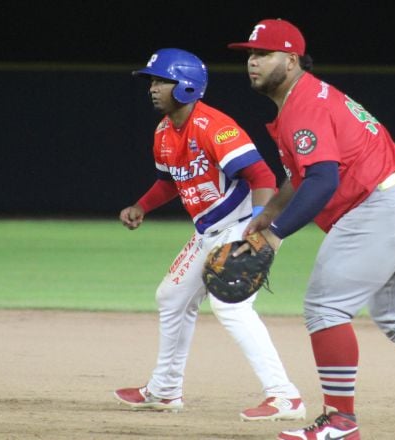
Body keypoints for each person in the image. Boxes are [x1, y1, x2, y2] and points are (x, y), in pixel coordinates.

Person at [228, 19, 395, 440]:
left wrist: (276, 233)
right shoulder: (308, 98)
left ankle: (340, 423)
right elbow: (305, 175)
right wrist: (271, 212)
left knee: (325, 308)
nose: (253, 62)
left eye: (262, 54)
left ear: (291, 58)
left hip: (381, 205)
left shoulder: (304, 104)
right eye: (250, 54)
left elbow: (323, 180)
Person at [113, 48, 305, 422]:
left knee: (230, 306)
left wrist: (256, 229)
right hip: (208, 229)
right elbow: (169, 182)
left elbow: (262, 177)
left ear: (185, 87)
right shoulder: (164, 132)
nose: (152, 88)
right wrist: (142, 206)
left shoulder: (216, 126)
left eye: (161, 81)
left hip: (239, 223)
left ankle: (285, 397)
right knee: (171, 297)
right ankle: (165, 390)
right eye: (151, 81)